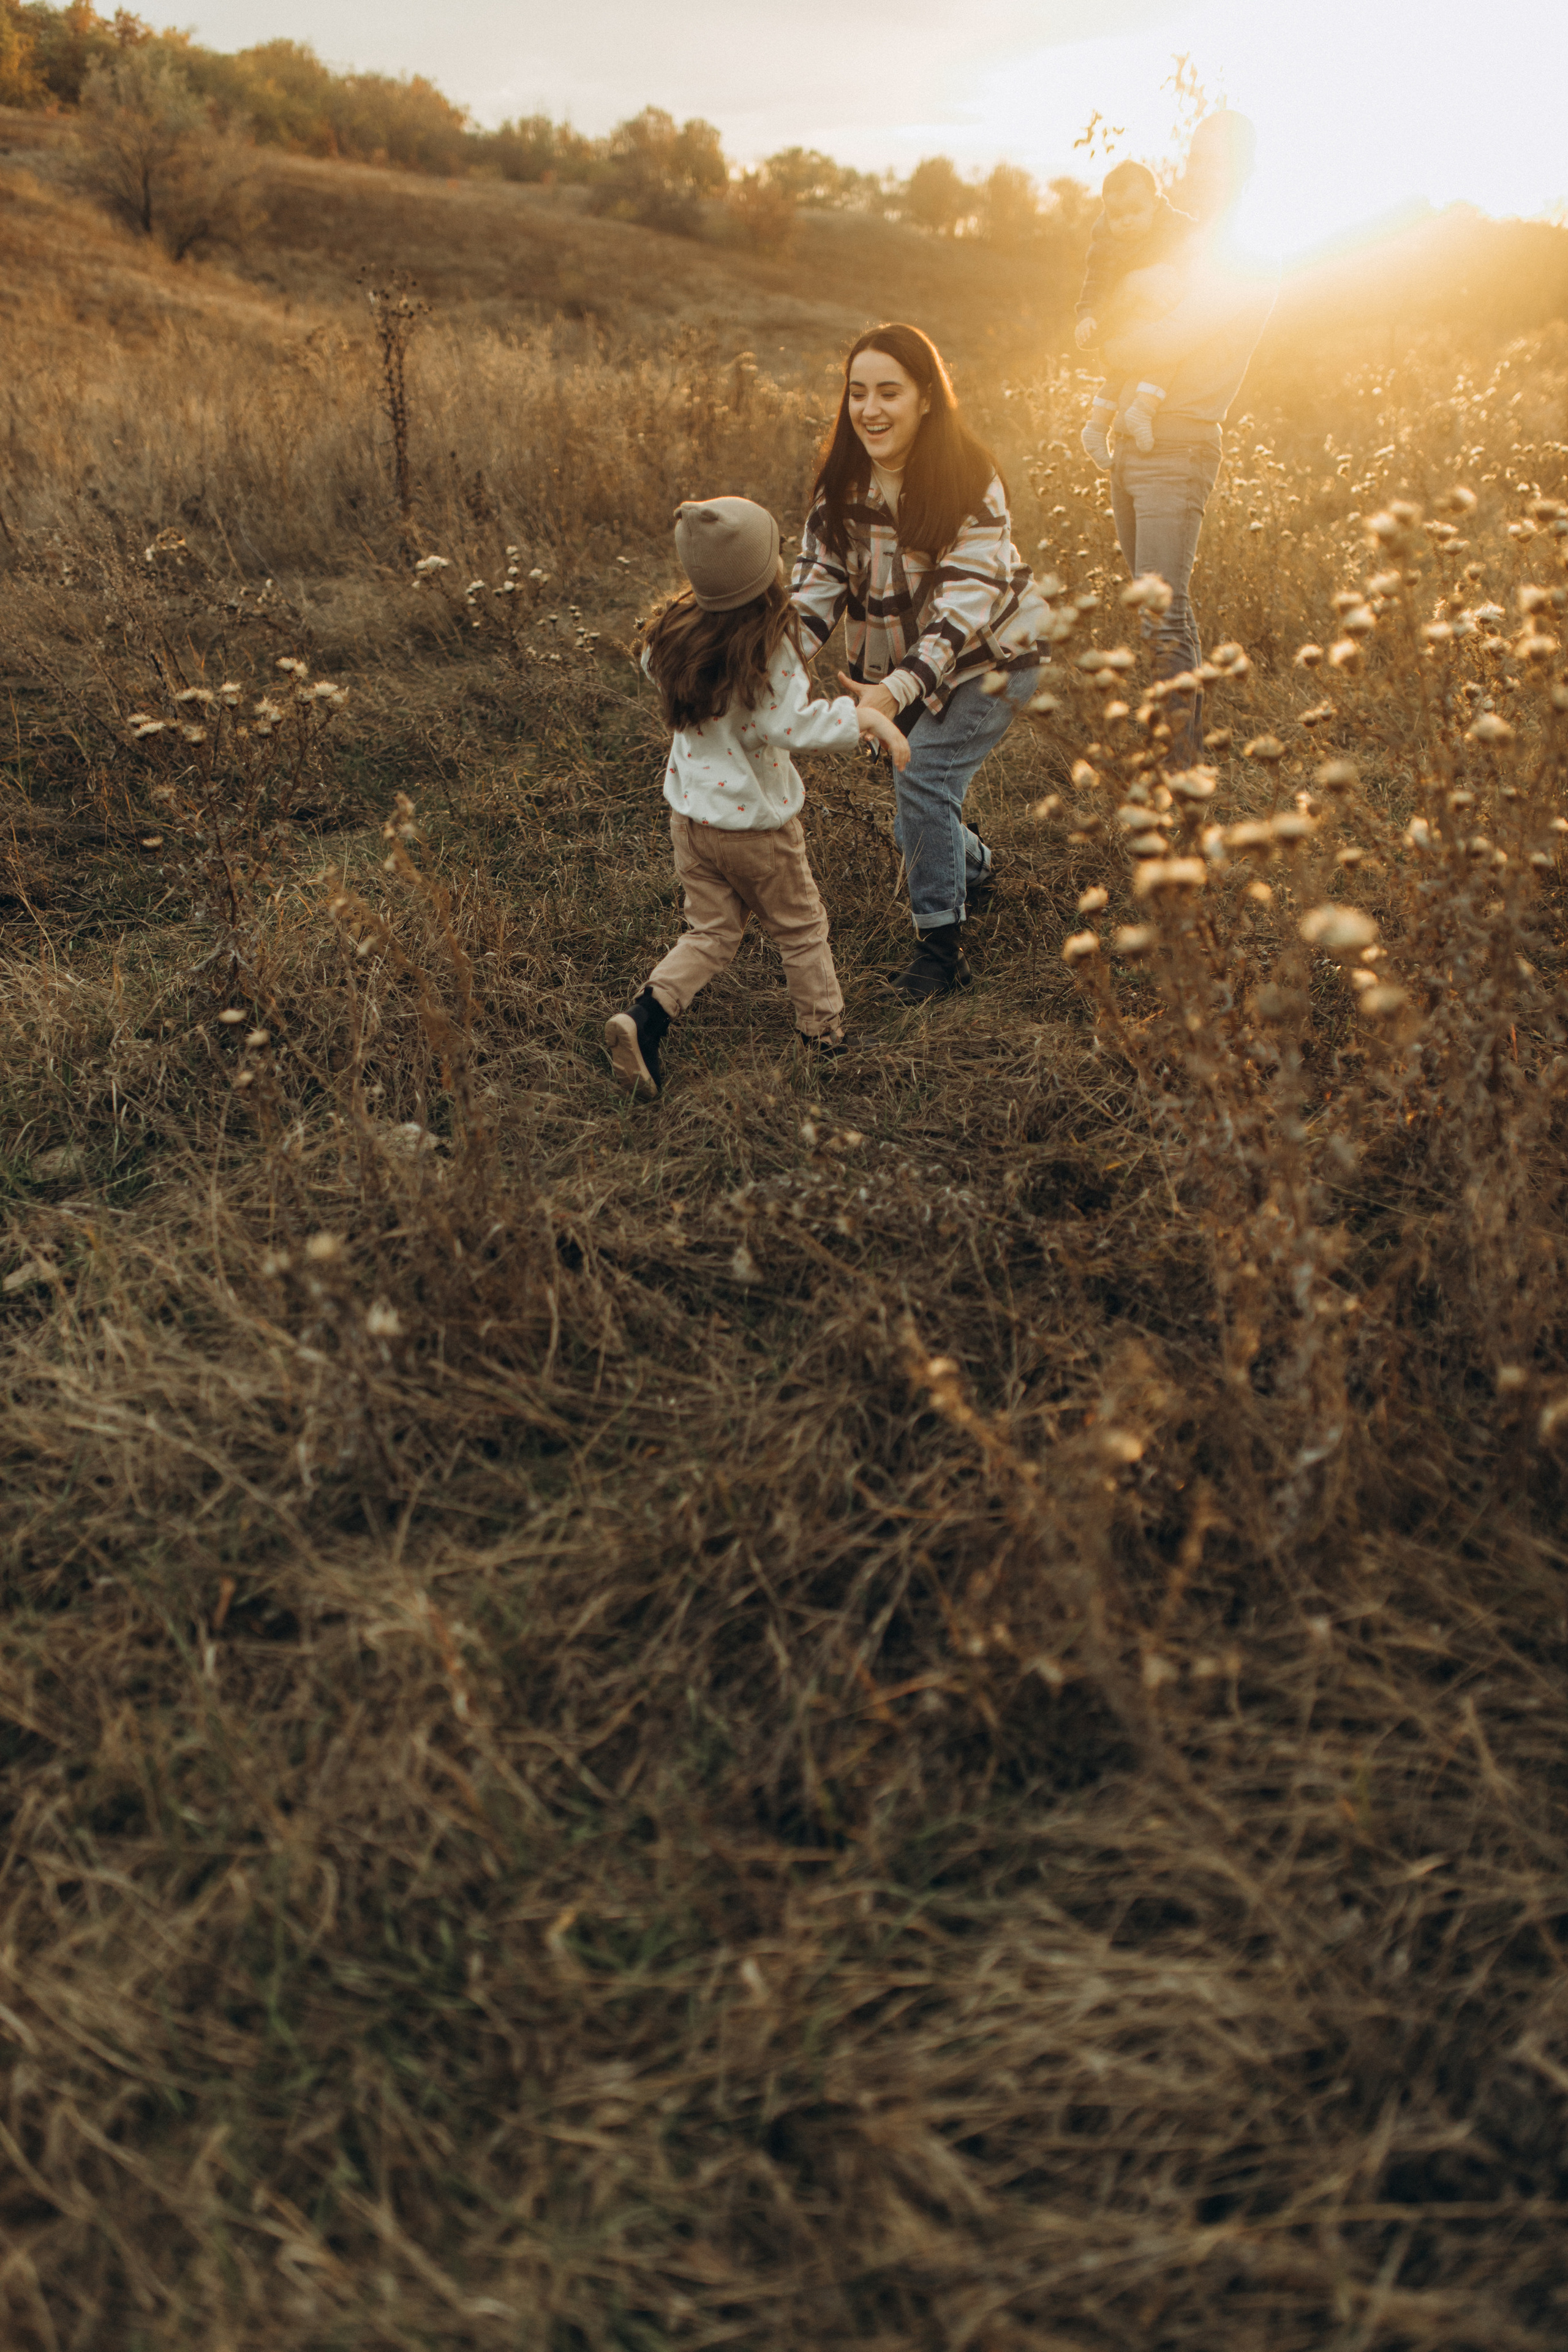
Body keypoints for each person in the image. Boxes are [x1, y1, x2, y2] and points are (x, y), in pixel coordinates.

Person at [605, 496, 908, 1100]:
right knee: (800, 928)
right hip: (756, 832)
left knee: (711, 932)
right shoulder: (770, 648)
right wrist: (863, 721)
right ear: (767, 571)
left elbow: (647, 662)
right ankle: (825, 1038)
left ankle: (644, 1018)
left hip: (690, 822)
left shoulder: (670, 636)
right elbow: (789, 725)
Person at [791, 324, 1047, 1005]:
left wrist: (892, 691)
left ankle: (940, 949)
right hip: (905, 667)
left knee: (922, 773)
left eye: (889, 393)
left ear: (926, 398)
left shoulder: (971, 480)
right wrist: (755, 669)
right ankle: (977, 866)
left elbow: (961, 612)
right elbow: (812, 595)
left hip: (995, 658)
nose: (870, 410)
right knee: (919, 812)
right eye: (857, 394)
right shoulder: (840, 490)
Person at [1095, 111, 1278, 765]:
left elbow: (1159, 339)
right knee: (1162, 613)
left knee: (1161, 615)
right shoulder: (1177, 241)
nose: (1199, 171)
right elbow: (1103, 301)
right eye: (1195, 157)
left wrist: (1113, 328)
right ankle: (1179, 753)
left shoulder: (1248, 250)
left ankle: (1179, 776)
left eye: (1216, 160)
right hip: (1135, 439)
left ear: (1245, 168)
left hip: (1178, 448)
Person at [1075, 160, 1197, 469]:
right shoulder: (1104, 243)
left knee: (1144, 359)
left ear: (1155, 204)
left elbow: (1203, 235)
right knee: (1160, 354)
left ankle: (1099, 426)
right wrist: (1088, 316)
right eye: (1117, 215)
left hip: (1156, 311)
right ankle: (1131, 413)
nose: (1126, 221)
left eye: (1135, 211)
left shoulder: (1173, 224)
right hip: (1123, 318)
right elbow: (1095, 283)